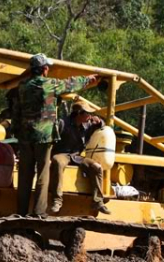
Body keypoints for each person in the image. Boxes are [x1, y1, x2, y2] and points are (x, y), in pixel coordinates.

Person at [16, 53, 97, 216]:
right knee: (42, 174)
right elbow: (71, 84)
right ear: (45, 69)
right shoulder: (49, 85)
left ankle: (21, 211)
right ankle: (39, 212)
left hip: (25, 136)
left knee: (25, 175)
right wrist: (89, 79)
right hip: (43, 137)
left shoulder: (22, 86)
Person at [50, 103, 111, 215]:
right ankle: (57, 200)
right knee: (58, 162)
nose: (90, 116)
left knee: (96, 167)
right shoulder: (63, 123)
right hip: (62, 153)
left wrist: (99, 121)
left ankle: (98, 201)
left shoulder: (88, 124)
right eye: (88, 113)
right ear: (79, 114)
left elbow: (102, 124)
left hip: (76, 156)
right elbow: (51, 140)